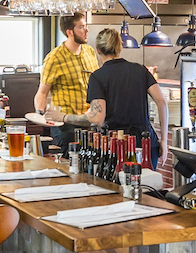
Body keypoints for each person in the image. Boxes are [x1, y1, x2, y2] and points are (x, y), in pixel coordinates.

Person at [59, 27, 169, 156]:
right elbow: (162, 102)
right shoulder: (140, 70)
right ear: (119, 48)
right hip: (146, 142)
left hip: (117, 144)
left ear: (98, 50)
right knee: (148, 170)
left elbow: (97, 118)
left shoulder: (97, 77)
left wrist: (64, 117)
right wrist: (164, 140)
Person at [35, 14, 98, 149]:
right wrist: (40, 112)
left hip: (89, 123)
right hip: (65, 126)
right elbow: (42, 93)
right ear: (70, 32)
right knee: (68, 161)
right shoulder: (54, 58)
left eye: (86, 26)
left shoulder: (90, 52)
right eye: (81, 27)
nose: (86, 30)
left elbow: (97, 86)